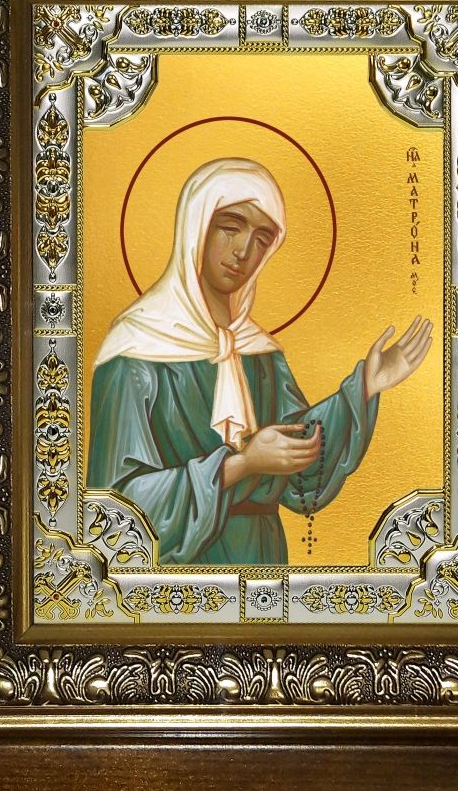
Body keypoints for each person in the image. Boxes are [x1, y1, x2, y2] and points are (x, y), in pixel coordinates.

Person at [86, 157, 432, 565]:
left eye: (262, 239)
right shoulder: (135, 350)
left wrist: (365, 387)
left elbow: (300, 467)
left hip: (264, 557)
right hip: (183, 574)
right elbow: (115, 508)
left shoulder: (259, 352)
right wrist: (241, 465)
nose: (243, 251)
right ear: (196, 225)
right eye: (230, 227)